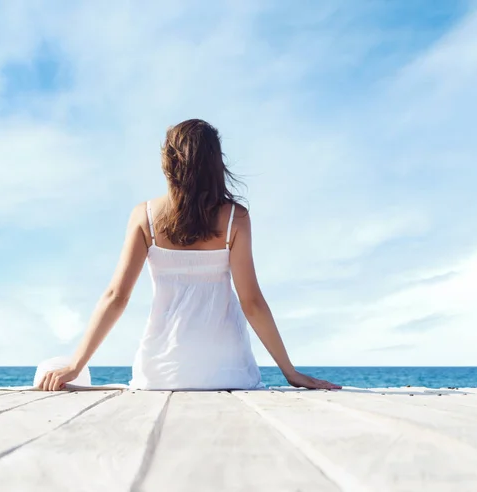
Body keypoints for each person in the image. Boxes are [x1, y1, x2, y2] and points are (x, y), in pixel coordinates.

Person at [38, 119, 341, 392]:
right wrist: (290, 372)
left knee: (50, 366)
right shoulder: (236, 218)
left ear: (168, 163)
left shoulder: (144, 216)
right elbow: (252, 302)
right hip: (230, 372)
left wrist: (76, 365)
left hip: (160, 373)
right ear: (215, 164)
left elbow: (117, 296)